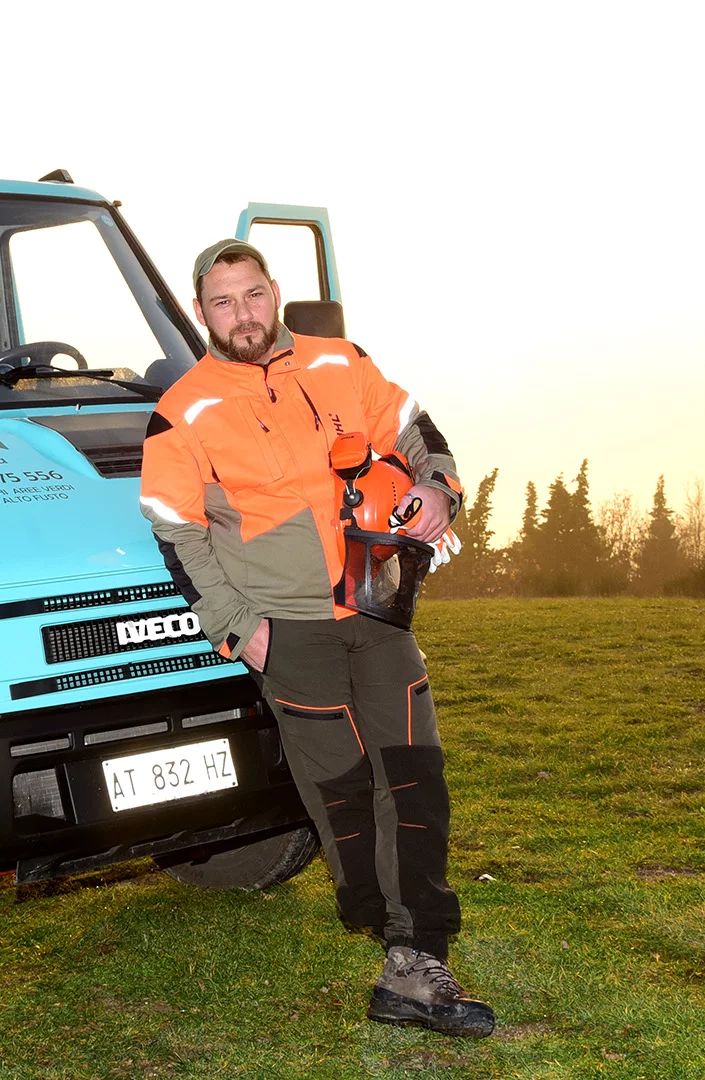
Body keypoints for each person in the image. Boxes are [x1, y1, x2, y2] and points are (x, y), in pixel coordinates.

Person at [139, 239, 495, 1037]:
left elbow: (417, 431)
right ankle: (386, 935)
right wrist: (242, 630)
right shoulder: (182, 410)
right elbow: (176, 533)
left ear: (276, 293)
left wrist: (439, 490)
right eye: (223, 302)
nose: (243, 315)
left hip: (375, 612)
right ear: (202, 312)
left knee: (412, 777)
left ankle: (416, 955)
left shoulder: (341, 362)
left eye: (254, 294)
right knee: (340, 800)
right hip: (285, 630)